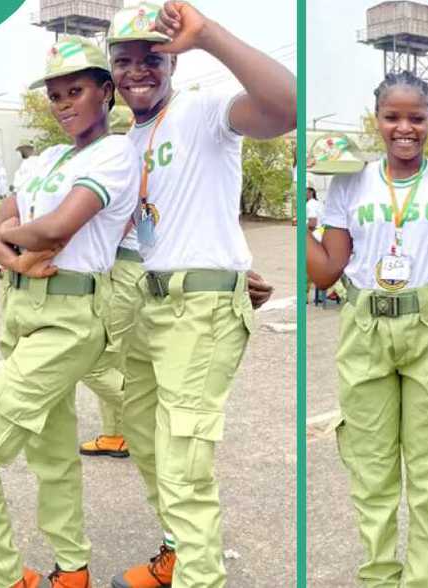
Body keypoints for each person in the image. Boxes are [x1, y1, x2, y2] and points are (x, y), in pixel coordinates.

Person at [0, 35, 138, 588]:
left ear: (105, 91)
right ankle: (72, 570)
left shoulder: (115, 153)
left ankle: (1, 579)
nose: (65, 104)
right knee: (51, 452)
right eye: (55, 96)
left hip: (70, 318)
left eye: (76, 90)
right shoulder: (47, 160)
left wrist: (11, 242)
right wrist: (16, 257)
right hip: (23, 309)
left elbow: (55, 227)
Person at [104, 3, 295, 586]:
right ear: (111, 72)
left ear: (172, 62)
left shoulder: (203, 110)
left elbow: (287, 106)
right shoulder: (122, 144)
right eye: (124, 61)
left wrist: (208, 35)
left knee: (184, 461)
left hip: (199, 307)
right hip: (147, 298)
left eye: (151, 57)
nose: (138, 70)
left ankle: (198, 576)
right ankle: (177, 553)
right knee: (144, 438)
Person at [306, 71, 428, 587]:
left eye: (416, 118)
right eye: (392, 117)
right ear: (376, 120)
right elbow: (326, 270)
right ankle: (379, 576)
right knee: (371, 466)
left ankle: (420, 579)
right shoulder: (349, 181)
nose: (404, 128)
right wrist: (301, 216)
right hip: (365, 327)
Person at [78, 104, 140, 460]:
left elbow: (124, 223)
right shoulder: (144, 162)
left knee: (95, 360)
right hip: (136, 267)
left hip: (121, 268)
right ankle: (115, 434)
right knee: (120, 359)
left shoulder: (119, 164)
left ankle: (148, 423)